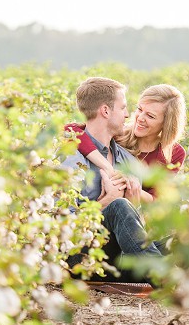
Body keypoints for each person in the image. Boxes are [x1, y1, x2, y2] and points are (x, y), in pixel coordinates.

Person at [62, 77, 163, 271]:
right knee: (118, 206)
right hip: (80, 257)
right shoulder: (69, 158)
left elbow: (136, 239)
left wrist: (135, 206)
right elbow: (60, 227)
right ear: (105, 111)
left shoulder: (129, 163)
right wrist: (107, 203)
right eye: (123, 107)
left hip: (121, 257)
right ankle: (166, 279)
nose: (127, 115)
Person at [65, 83, 187, 201]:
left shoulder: (174, 153)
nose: (140, 118)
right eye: (140, 109)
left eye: (150, 116)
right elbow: (70, 130)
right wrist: (107, 167)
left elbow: (158, 200)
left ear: (166, 123)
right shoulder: (118, 134)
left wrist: (129, 183)